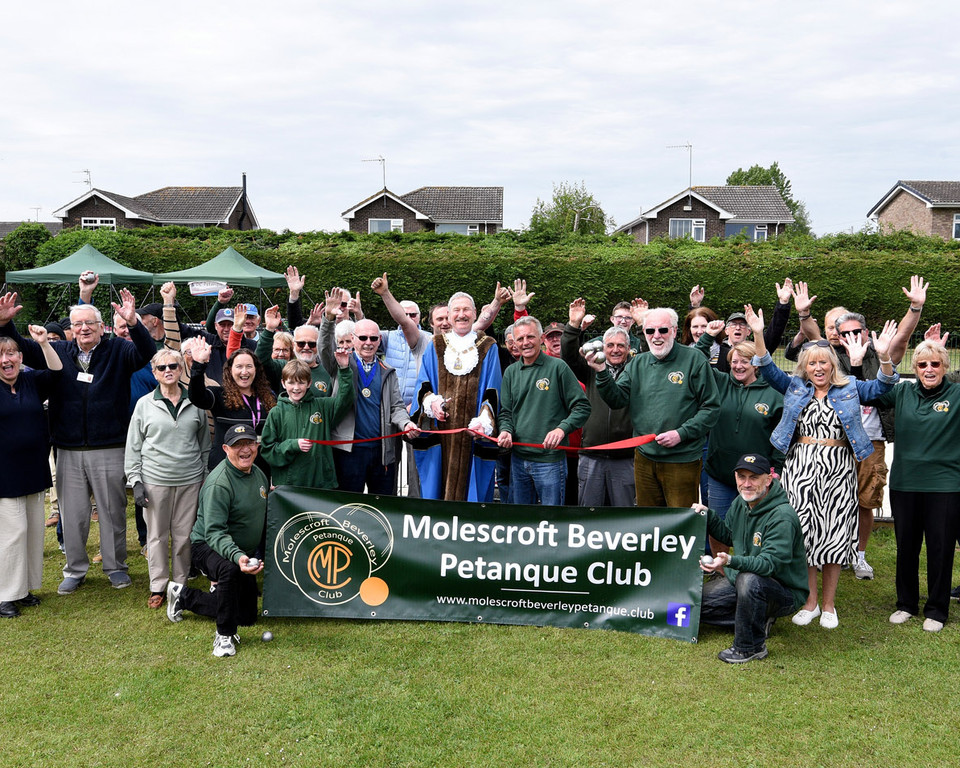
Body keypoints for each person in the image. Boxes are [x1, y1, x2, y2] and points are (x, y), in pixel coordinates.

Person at [746, 305, 899, 629]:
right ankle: (810, 602)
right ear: (805, 366)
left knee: (833, 537)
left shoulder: (850, 389)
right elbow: (767, 366)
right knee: (803, 537)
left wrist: (883, 356)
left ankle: (829, 605)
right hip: (800, 471)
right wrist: (759, 333)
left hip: (838, 472)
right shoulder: (795, 387)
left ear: (833, 366)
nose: (818, 368)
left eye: (824, 363)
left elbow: (883, 386)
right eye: (813, 363)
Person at [0, 289, 155, 595]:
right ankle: (75, 569)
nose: (84, 328)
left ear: (101, 327)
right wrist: (5, 325)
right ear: (71, 329)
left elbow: (147, 352)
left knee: (112, 511)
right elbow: (22, 348)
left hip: (109, 445)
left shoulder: (118, 351)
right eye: (78, 323)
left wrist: (134, 322)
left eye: (90, 323)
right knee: (73, 514)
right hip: (68, 447)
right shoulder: (58, 353)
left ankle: (115, 567)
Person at [794, 276, 928, 580]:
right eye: (845, 333)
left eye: (857, 331)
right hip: (835, 442)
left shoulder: (879, 354)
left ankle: (859, 554)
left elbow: (904, 338)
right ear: (838, 336)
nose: (851, 336)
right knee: (827, 498)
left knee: (864, 501)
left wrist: (915, 308)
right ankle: (825, 552)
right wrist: (803, 315)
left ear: (865, 332)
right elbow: (812, 332)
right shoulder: (828, 358)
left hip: (872, 440)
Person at [588, 307, 720, 508]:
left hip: (681, 459)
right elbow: (617, 400)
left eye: (663, 330)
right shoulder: (637, 363)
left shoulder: (694, 360)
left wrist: (681, 434)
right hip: (644, 458)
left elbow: (711, 408)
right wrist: (601, 372)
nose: (656, 336)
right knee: (648, 521)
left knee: (680, 522)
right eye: (650, 331)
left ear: (674, 331)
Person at [870, 341, 960, 632]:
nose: (929, 369)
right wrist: (881, 357)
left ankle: (937, 609)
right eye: (922, 365)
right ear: (915, 368)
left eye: (935, 364)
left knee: (940, 548)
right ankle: (906, 604)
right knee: (906, 546)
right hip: (905, 483)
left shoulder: (957, 394)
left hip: (945, 485)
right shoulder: (903, 391)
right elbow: (872, 391)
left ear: (945, 366)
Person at [166, 424, 268, 658]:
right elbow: (214, 533)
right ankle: (224, 636)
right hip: (206, 546)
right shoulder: (219, 484)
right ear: (225, 448)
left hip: (239, 549)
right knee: (230, 570)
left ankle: (183, 597)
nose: (245, 450)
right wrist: (239, 557)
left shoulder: (257, 473)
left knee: (247, 616)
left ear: (257, 445)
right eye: (237, 445)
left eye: (249, 443)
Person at [698, 454, 809, 663]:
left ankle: (750, 647)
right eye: (741, 477)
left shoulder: (782, 516)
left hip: (783, 590)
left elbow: (768, 565)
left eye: (754, 478)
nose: (746, 484)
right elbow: (729, 534)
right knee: (695, 606)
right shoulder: (741, 502)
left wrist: (730, 561)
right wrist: (708, 516)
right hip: (743, 580)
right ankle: (756, 618)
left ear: (768, 480)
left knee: (749, 579)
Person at [125, 349, 211, 610]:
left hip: (190, 480)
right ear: (154, 373)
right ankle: (158, 585)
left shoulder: (196, 403)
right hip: (155, 481)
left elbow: (204, 445)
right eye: (161, 368)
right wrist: (136, 481)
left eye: (173, 365)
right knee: (157, 536)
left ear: (181, 369)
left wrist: (205, 478)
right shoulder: (143, 404)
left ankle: (180, 585)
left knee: (184, 536)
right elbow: (133, 446)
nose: (168, 371)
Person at [694, 322, 785, 552]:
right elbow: (695, 362)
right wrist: (707, 336)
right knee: (718, 524)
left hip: (756, 476)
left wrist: (776, 469)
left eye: (744, 361)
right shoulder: (720, 383)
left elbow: (781, 436)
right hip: (720, 473)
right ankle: (720, 572)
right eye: (734, 361)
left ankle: (752, 570)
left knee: (757, 527)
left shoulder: (773, 393)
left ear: (756, 364)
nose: (738, 365)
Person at [318, 289, 419, 494]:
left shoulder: (387, 371)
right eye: (363, 337)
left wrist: (406, 423)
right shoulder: (341, 363)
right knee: (347, 504)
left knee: (381, 507)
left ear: (379, 341)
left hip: (381, 451)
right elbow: (324, 349)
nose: (368, 342)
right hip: (348, 449)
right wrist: (328, 319)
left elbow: (397, 406)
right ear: (353, 339)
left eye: (373, 338)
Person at [412, 291, 502, 501]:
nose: (461, 315)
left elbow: (493, 391)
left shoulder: (489, 346)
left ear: (474, 313)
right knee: (438, 491)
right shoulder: (434, 345)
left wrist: (484, 421)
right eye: (457, 310)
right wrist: (432, 403)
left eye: (466, 310)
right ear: (450, 315)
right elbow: (423, 385)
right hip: (441, 436)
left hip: (473, 437)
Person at [0, 325, 62, 617]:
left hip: (34, 469)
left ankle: (23, 589)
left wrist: (45, 345)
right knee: (13, 533)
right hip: (4, 475)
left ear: (21, 357)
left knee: (33, 532)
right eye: (0, 355)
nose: (6, 360)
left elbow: (58, 373)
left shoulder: (30, 381)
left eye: (11, 353)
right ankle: (5, 594)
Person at [497, 316, 591, 505]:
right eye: (520, 339)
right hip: (518, 459)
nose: (526, 343)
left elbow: (582, 406)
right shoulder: (510, 372)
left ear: (541, 338)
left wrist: (561, 429)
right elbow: (506, 412)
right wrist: (505, 430)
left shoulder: (558, 368)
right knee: (522, 523)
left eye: (530, 337)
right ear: (513, 343)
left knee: (551, 520)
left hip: (550, 461)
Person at [562, 299, 636, 506]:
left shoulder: (637, 369)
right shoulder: (591, 367)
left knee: (623, 515)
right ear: (602, 347)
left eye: (621, 346)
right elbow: (568, 357)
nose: (615, 350)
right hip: (592, 454)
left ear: (629, 348)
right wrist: (573, 326)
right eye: (610, 345)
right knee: (589, 514)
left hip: (625, 456)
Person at [260, 357, 354, 489]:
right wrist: (292, 445)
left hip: (321, 483)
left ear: (309, 383)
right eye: (291, 383)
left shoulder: (323, 406)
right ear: (283, 383)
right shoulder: (276, 412)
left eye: (301, 383)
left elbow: (345, 399)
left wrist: (344, 369)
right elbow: (267, 450)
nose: (296, 388)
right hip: (289, 485)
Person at [188, 342, 276, 472]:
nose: (244, 371)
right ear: (230, 370)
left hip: (259, 468)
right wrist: (199, 365)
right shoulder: (219, 395)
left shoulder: (269, 397)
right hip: (225, 468)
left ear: (256, 370)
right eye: (239, 366)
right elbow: (197, 397)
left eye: (249, 366)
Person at [254, 305, 332, 397]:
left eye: (312, 344)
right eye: (301, 343)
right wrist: (269, 329)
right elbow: (260, 361)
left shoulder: (329, 372)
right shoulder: (283, 367)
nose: (306, 347)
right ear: (294, 345)